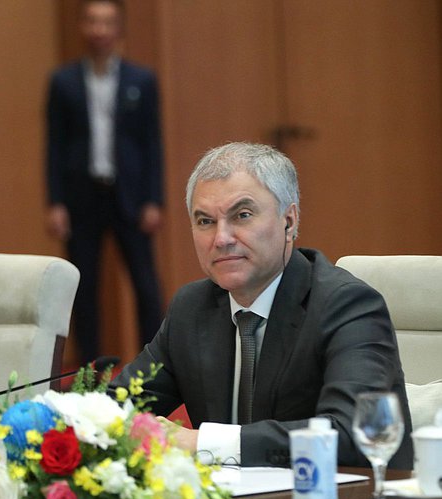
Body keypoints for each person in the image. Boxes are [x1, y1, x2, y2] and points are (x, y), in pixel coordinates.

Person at [116, 142, 413, 469]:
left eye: (242, 215)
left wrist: (203, 443)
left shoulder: (346, 306)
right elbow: (120, 404)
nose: (221, 238)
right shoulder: (192, 308)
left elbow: (351, 434)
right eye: (205, 222)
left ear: (289, 221)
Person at [46, 0, 164, 361]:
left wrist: (154, 200)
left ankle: (155, 367)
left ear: (119, 29)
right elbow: (53, 145)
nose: (99, 30)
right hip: (82, 197)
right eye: (93, 21)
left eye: (107, 22)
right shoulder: (63, 82)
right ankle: (91, 370)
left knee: (146, 287)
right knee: (84, 290)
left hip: (129, 196)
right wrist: (55, 202)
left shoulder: (141, 80)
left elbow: (152, 143)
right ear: (83, 26)